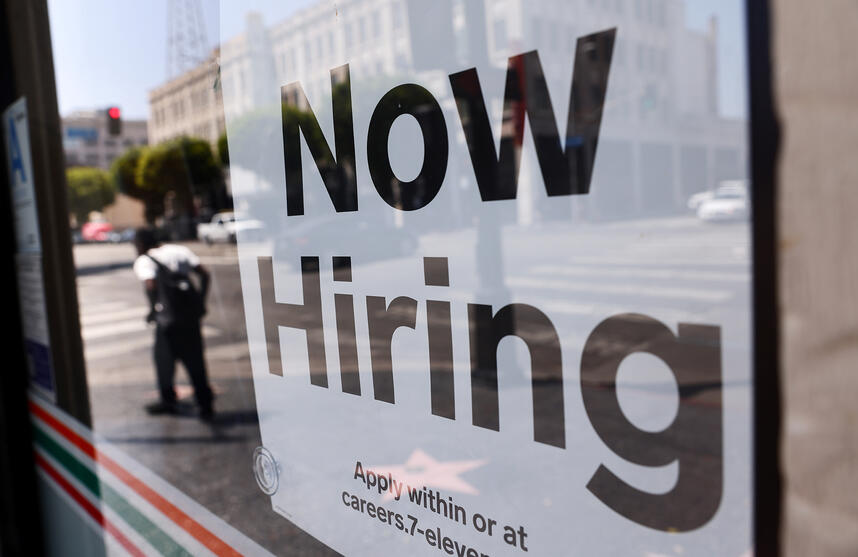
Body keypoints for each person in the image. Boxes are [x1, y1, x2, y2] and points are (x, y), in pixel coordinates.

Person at [133, 227, 214, 421]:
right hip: (190, 318)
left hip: (168, 321)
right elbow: (204, 274)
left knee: (164, 360)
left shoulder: (145, 260)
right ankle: (205, 403)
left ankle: (168, 400)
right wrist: (200, 302)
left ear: (142, 244)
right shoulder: (180, 251)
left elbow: (151, 285)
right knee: (196, 361)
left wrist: (153, 309)